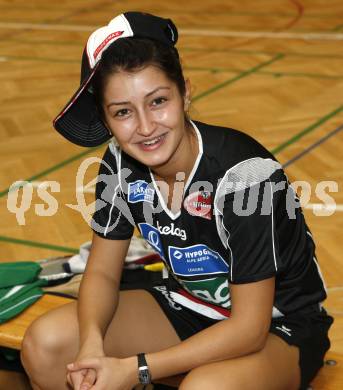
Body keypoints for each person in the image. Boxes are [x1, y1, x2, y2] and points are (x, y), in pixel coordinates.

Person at [21, 11, 333, 390]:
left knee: (205, 388)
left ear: (185, 91)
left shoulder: (245, 174)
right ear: (106, 118)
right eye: (123, 112)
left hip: (278, 326)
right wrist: (91, 346)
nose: (146, 127)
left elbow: (249, 329)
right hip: (188, 305)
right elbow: (102, 273)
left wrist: (136, 369)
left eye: (157, 101)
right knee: (47, 346)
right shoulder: (118, 165)